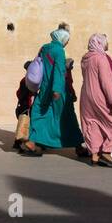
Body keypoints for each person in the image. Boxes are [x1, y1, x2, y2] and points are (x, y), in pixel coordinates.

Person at [20, 27, 85, 156]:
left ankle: (33, 142)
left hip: (44, 89)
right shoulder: (59, 50)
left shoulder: (45, 48)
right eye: (67, 40)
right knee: (67, 118)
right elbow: (59, 71)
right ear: (62, 39)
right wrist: (57, 89)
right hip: (58, 91)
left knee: (39, 113)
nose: (67, 42)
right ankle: (79, 147)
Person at [79, 33, 112, 168]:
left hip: (85, 96)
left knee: (92, 124)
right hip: (99, 97)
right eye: (105, 42)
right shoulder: (101, 58)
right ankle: (106, 151)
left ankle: (94, 155)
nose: (107, 44)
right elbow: (106, 82)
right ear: (100, 43)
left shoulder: (85, 58)